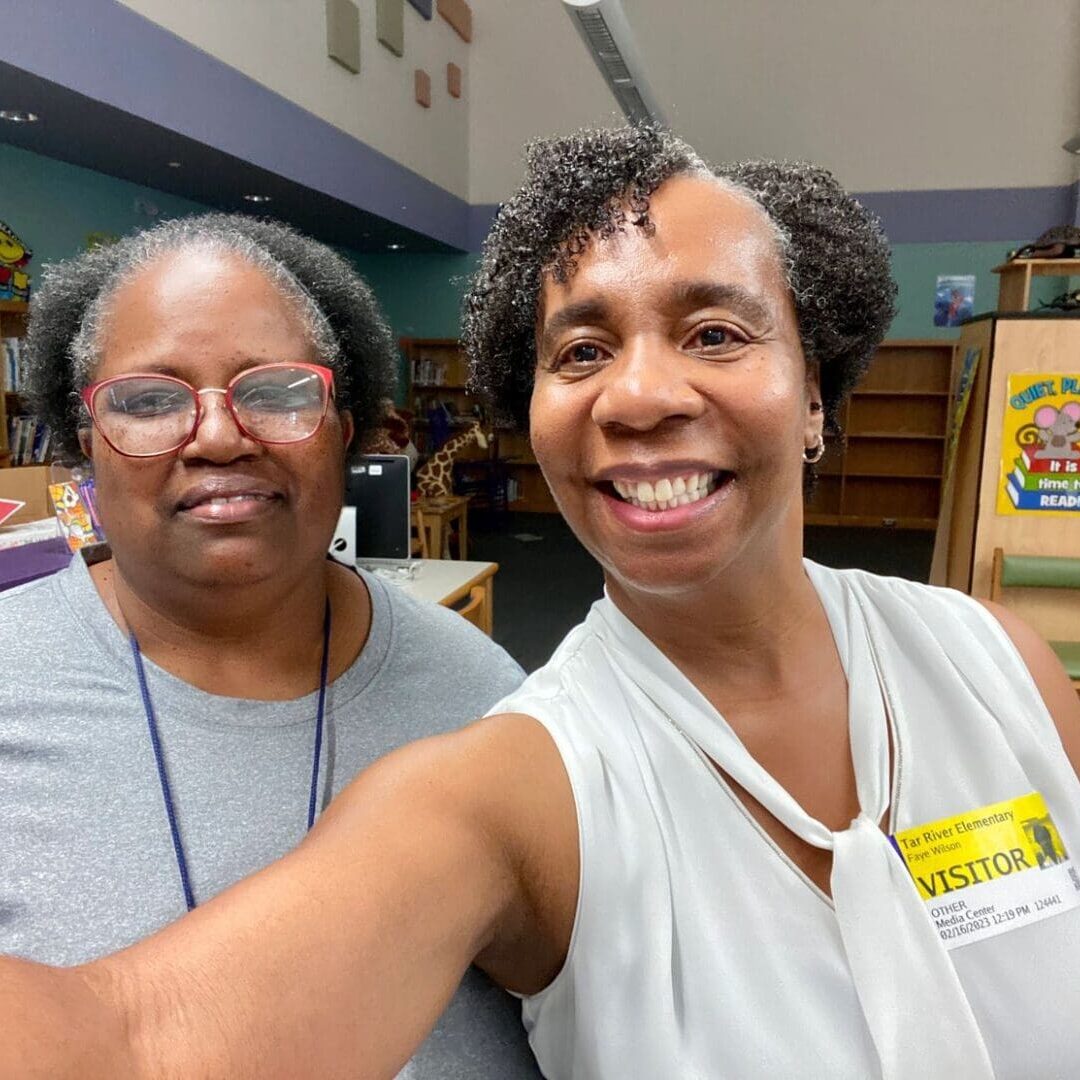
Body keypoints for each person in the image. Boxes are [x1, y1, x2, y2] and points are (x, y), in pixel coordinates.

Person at [4, 128, 1080, 1079]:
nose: (644, 393)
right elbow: (137, 1038)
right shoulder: (517, 776)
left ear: (815, 391)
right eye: (582, 350)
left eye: (714, 331)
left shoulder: (997, 665)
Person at [0, 214, 538, 1077]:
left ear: (344, 426)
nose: (217, 436)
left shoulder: (482, 697)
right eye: (147, 399)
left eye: (276, 390)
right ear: (83, 446)